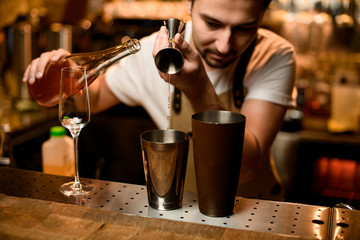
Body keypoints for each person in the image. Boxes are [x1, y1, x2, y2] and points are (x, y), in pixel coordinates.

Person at [23, 0, 296, 200]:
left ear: (262, 15)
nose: (225, 45)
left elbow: (246, 166)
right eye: (212, 24)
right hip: (182, 207)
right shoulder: (153, 52)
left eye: (244, 28)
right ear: (189, 4)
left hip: (253, 209)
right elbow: (85, 99)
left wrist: (199, 87)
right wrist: (55, 78)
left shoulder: (275, 56)